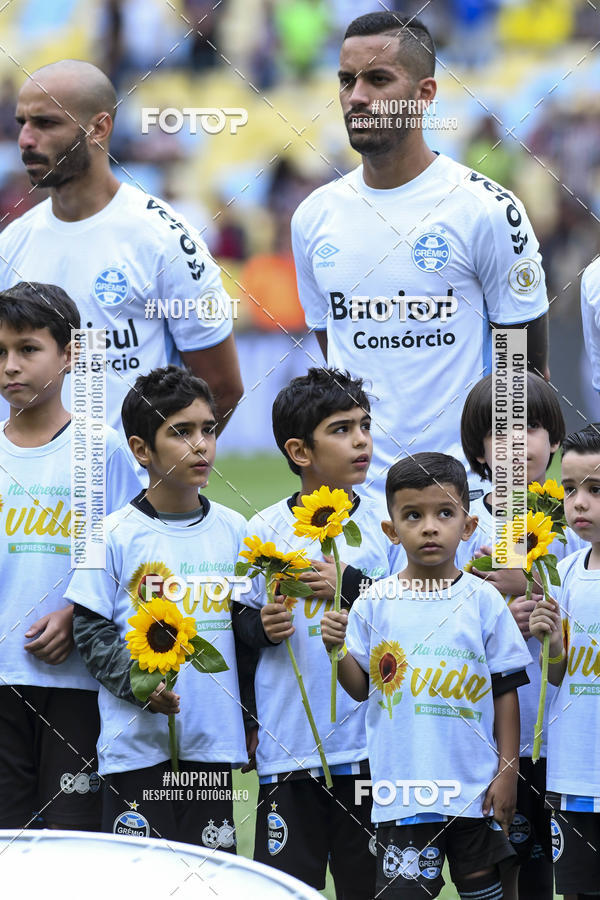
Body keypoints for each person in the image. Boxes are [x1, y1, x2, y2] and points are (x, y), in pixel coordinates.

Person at [291, 11, 549, 500]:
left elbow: (523, 383)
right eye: (346, 81)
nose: (357, 97)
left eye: (378, 79)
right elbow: (337, 361)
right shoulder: (312, 217)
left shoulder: (486, 210)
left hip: (467, 503)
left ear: (426, 94)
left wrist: (513, 530)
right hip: (355, 508)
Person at [322, 452, 531, 900]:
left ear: (468, 525)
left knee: (487, 892)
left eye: (444, 513)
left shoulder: (484, 601)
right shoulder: (375, 602)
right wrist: (337, 651)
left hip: (475, 792)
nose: (430, 527)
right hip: (404, 792)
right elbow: (360, 690)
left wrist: (508, 771)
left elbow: (505, 690)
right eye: (413, 515)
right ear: (391, 531)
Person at [0, 59, 243, 437]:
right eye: (22, 123)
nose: (26, 139)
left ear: (98, 128)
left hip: (135, 492)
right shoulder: (12, 242)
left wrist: (157, 481)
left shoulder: (164, 239)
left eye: (45, 123)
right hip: (39, 496)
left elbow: (223, 388)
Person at [233, 367, 405, 898]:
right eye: (341, 429)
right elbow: (236, 623)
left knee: (369, 887)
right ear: (299, 451)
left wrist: (349, 584)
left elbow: (415, 612)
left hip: (372, 752)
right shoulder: (261, 529)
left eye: (365, 425)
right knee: (284, 889)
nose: (361, 440)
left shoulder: (388, 523)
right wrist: (261, 627)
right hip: (289, 753)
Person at [65, 365, 248, 845]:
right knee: (139, 881)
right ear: (141, 449)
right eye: (181, 432)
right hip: (136, 750)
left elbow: (245, 635)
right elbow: (91, 632)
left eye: (208, 430)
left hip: (211, 748)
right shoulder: (109, 535)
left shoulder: (235, 531)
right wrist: (138, 684)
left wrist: (249, 718)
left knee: (207, 880)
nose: (201, 444)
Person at [0, 282, 141, 831]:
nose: (12, 366)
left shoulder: (101, 448)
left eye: (28, 349)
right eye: (1, 352)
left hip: (76, 683)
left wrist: (75, 613)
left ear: (70, 353)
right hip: (3, 680)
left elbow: (132, 558)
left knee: (71, 840)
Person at [460, 371, 586, 899]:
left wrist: (529, 586)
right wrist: (491, 607)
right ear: (480, 450)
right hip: (491, 738)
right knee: (502, 868)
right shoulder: (458, 524)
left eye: (530, 427)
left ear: (554, 440)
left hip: (563, 736)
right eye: (499, 433)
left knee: (558, 871)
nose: (516, 445)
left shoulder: (575, 519)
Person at [529, 423, 600, 899]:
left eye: (596, 489)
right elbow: (560, 674)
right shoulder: (568, 573)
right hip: (574, 776)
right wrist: (551, 642)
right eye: (570, 488)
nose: (578, 502)